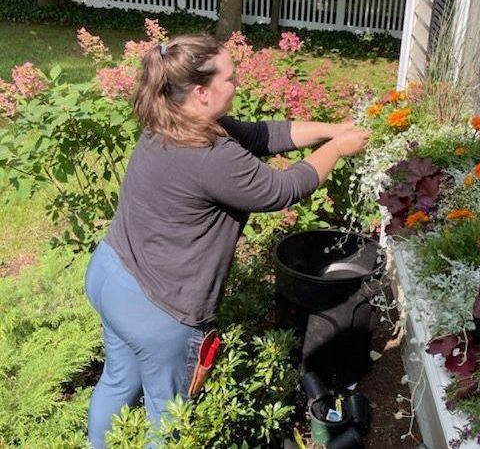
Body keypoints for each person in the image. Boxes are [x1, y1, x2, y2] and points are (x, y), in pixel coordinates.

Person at [84, 34, 370, 448]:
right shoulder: (211, 155)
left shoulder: (171, 119)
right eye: (231, 78)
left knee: (117, 379)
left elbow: (264, 134)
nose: (238, 83)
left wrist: (332, 130)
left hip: (111, 275)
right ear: (202, 92)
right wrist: (339, 150)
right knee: (168, 417)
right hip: (159, 310)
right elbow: (285, 189)